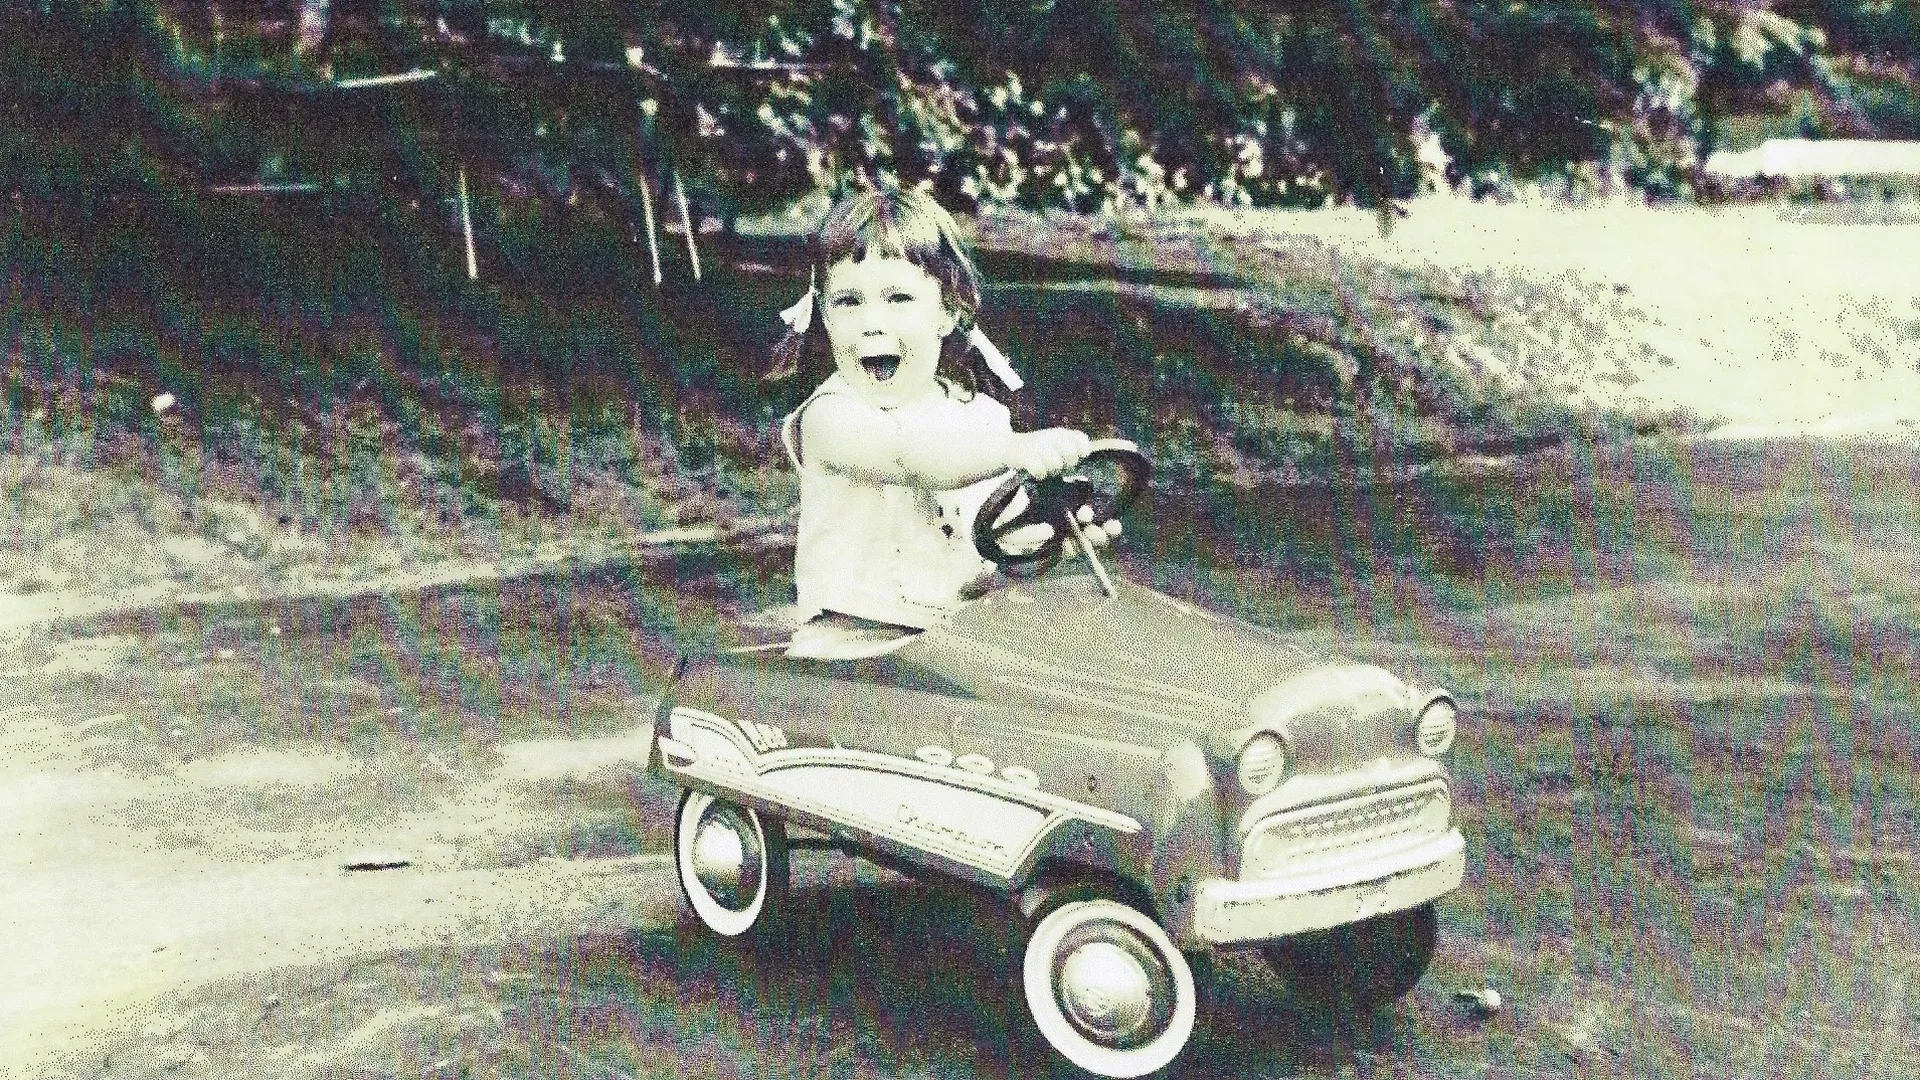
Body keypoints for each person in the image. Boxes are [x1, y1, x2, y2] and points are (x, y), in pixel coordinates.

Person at [767, 186, 1119, 636]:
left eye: (898, 299)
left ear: (947, 313)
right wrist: (1013, 449)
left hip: (949, 650)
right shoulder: (830, 420)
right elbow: (909, 456)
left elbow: (994, 543)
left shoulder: (980, 419)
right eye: (849, 302)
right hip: (848, 652)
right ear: (826, 318)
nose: (873, 321)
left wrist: (1053, 539)